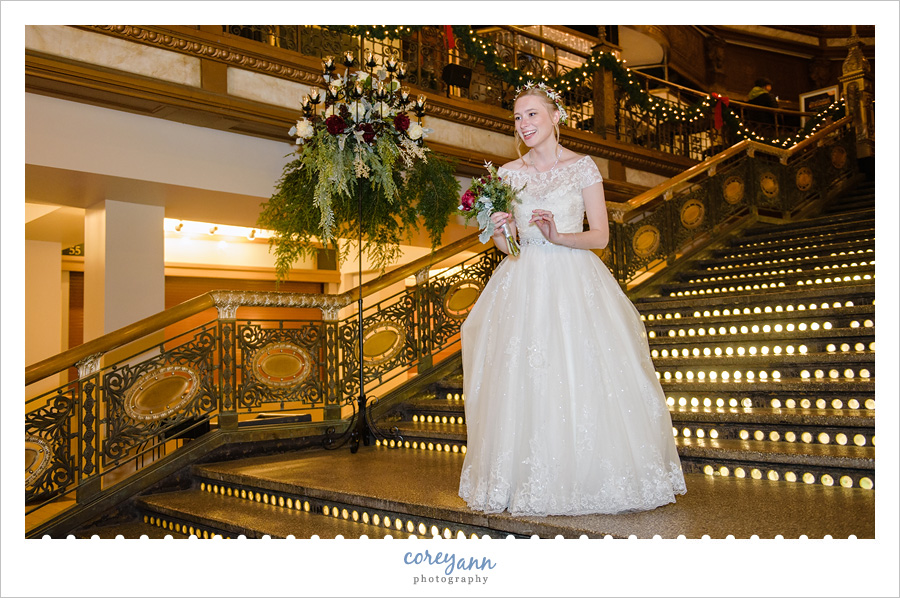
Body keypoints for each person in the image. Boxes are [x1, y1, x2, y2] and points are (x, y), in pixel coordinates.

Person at [458, 82, 686, 516]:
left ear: (556, 116)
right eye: (518, 117)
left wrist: (558, 235)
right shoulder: (508, 174)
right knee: (524, 377)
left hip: (573, 278)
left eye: (532, 114)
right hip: (523, 282)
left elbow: (600, 236)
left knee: (582, 371)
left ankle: (590, 475)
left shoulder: (583, 168)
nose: (524, 124)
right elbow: (509, 248)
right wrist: (502, 230)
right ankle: (525, 478)